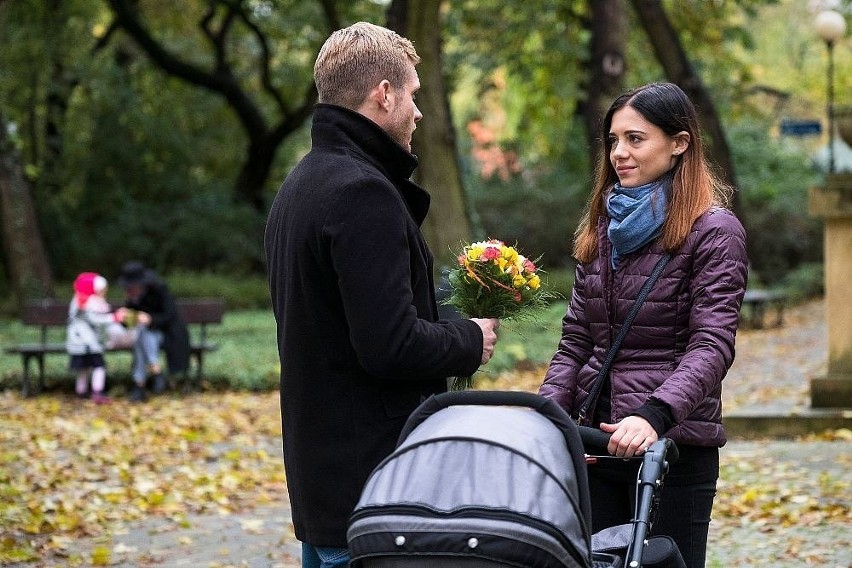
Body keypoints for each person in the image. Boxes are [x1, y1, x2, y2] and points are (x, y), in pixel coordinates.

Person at [264, 22, 500, 568]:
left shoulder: (301, 184)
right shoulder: (361, 192)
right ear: (384, 94)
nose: (419, 112)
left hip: (326, 480)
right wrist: (468, 338)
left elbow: (341, 327)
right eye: (414, 94)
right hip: (372, 486)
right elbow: (388, 345)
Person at [539, 82, 748, 568]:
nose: (619, 153)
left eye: (635, 139)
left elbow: (712, 345)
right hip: (597, 449)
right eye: (613, 141)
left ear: (680, 143)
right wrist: (549, 419)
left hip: (669, 451)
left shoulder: (713, 232)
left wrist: (654, 416)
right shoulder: (602, 231)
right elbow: (576, 342)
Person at [116, 260, 190, 402]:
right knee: (143, 335)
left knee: (142, 336)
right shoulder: (133, 297)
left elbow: (170, 316)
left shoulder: (160, 290)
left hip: (168, 334)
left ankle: (139, 386)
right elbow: (130, 324)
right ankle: (156, 371)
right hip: (148, 336)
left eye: (130, 287)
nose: (128, 291)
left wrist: (150, 319)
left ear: (140, 284)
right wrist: (124, 318)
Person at [66, 272, 125, 404]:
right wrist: (114, 317)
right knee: (99, 366)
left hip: (77, 342)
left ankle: (81, 391)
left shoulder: (79, 299)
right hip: (88, 343)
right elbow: (96, 319)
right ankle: (97, 391)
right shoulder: (89, 301)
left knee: (83, 367)